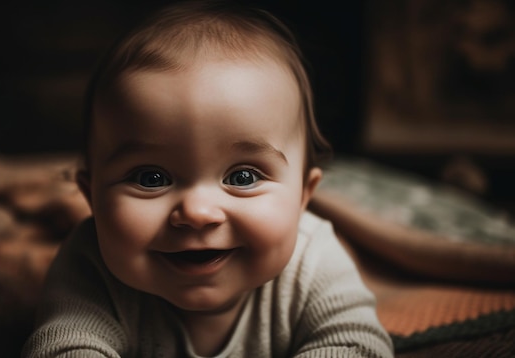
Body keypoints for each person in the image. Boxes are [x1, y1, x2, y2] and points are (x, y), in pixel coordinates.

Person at [22, 1, 393, 357]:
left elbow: (358, 345)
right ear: (92, 198)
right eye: (151, 178)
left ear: (303, 195)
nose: (198, 212)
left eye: (243, 176)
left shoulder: (314, 260)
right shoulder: (88, 264)